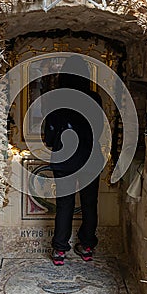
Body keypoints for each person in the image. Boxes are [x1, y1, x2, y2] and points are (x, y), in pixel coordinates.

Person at [44, 55, 104, 266]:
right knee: (89, 204)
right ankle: (87, 246)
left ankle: (60, 250)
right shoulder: (94, 98)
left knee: (64, 204)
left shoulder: (54, 99)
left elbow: (49, 135)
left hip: (64, 160)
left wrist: (57, 143)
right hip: (90, 158)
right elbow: (99, 130)